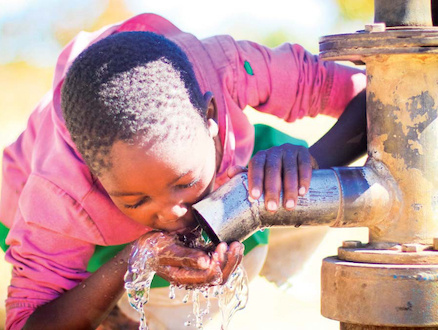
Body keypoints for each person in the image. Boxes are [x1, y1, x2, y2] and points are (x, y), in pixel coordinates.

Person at [0, 13, 366, 329]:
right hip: (49, 227)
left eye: (185, 183)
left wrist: (310, 163)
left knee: (269, 169)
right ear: (94, 177)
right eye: (136, 200)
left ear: (209, 117)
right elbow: (28, 322)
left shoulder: (229, 67)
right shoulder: (60, 192)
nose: (174, 214)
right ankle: (122, 314)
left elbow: (380, 94)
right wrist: (134, 260)